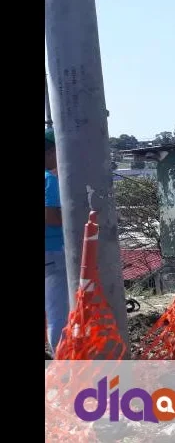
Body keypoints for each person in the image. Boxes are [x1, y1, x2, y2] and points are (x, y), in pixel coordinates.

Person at [45, 128, 69, 354]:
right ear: (52, 150)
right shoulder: (49, 180)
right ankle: (65, 366)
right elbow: (52, 216)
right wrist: (75, 215)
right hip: (53, 253)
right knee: (59, 311)